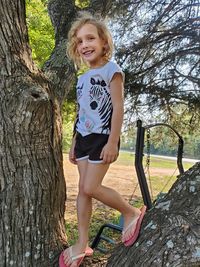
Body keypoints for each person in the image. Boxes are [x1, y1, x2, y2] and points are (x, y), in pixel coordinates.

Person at [59, 12, 146, 267]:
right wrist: (75, 140)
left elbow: (118, 108)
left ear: (103, 42)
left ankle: (130, 212)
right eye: (79, 41)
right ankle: (82, 244)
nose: (84, 44)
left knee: (90, 187)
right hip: (85, 138)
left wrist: (112, 141)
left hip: (102, 137)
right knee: (82, 193)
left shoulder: (112, 70)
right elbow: (81, 112)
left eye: (90, 38)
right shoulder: (82, 79)